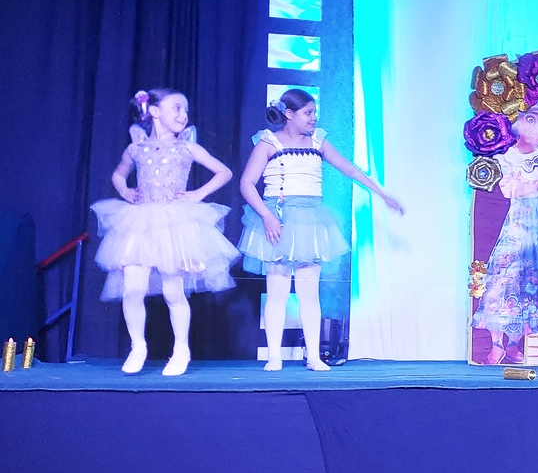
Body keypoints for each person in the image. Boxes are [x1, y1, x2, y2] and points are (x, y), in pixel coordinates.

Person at [239, 88, 402, 371]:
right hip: (278, 220)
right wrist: (266, 216)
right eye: (308, 113)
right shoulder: (268, 143)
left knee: (309, 293)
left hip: (311, 220)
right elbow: (246, 183)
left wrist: (381, 194)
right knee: (277, 292)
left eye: (314, 112)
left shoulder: (318, 141)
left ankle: (313, 356)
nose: (313, 118)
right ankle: (274, 356)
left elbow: (349, 169)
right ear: (289, 114)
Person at [91, 89, 239, 375]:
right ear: (155, 112)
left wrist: (198, 194)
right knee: (132, 288)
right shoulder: (137, 147)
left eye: (185, 110)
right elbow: (119, 174)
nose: (183, 115)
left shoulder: (187, 147)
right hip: (140, 222)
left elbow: (224, 172)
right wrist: (125, 190)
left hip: (174, 223)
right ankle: (138, 346)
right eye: (177, 108)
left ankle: (181, 349)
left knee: (173, 290)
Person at [471, 105, 538, 364]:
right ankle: (497, 344)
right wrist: (528, 186)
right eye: (534, 121)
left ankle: (515, 344)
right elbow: (508, 190)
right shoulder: (507, 156)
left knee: (533, 282)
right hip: (520, 220)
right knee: (505, 276)